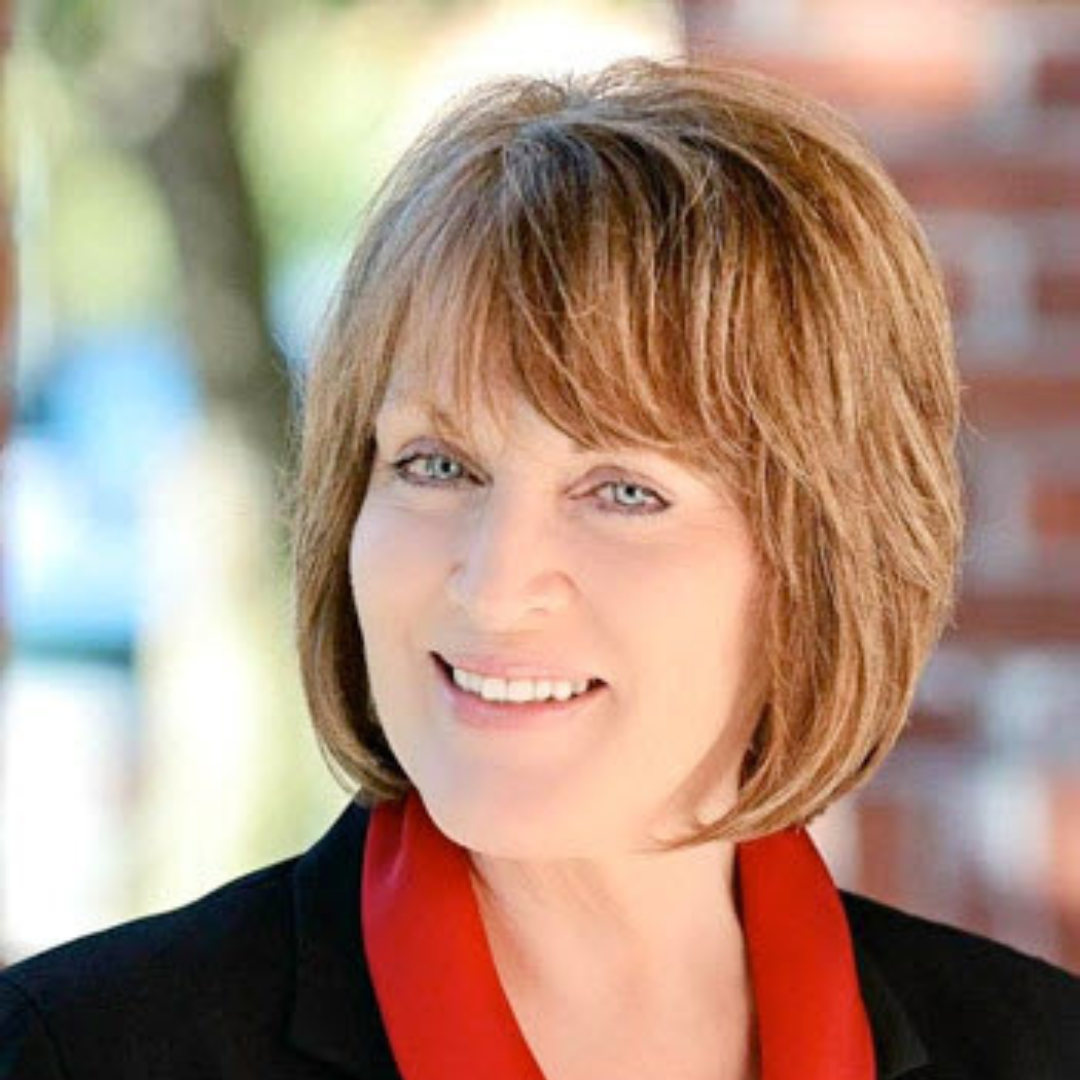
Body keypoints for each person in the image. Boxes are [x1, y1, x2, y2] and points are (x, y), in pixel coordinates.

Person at [1, 55, 1078, 1080]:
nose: (492, 582)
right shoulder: (74, 1051)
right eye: (436, 464)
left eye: (623, 491)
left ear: (823, 560)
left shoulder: (1040, 1050)